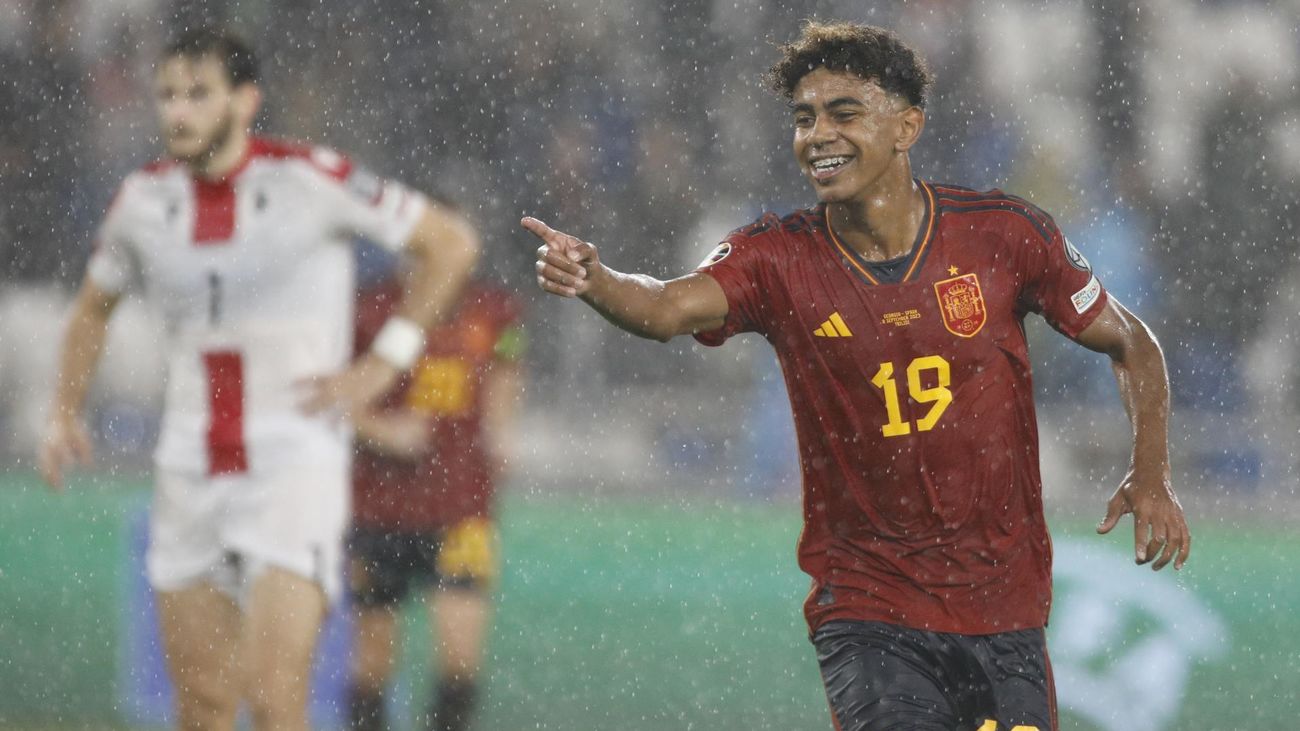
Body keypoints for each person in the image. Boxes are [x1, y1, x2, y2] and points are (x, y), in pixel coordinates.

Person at [526, 20, 1190, 731]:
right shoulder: (777, 259)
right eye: (804, 118)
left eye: (844, 113)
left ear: (907, 126)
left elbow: (1133, 343)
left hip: (1006, 607)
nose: (817, 135)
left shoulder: (1003, 235)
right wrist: (597, 278)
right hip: (871, 608)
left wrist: (1149, 474)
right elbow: (664, 306)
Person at [37, 28, 478, 731]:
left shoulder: (311, 179)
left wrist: (384, 361)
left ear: (246, 101)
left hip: (293, 464)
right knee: (203, 709)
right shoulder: (143, 203)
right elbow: (93, 307)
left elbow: (451, 243)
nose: (178, 112)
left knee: (276, 701)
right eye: (168, 96)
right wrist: (64, 410)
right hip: (188, 468)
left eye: (198, 94)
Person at [344, 260, 524, 731]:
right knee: (372, 662)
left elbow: (508, 364)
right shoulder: (367, 311)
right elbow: (330, 396)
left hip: (463, 508)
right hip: (380, 506)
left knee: (461, 659)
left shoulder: (493, 311)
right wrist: (381, 430)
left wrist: (502, 428)